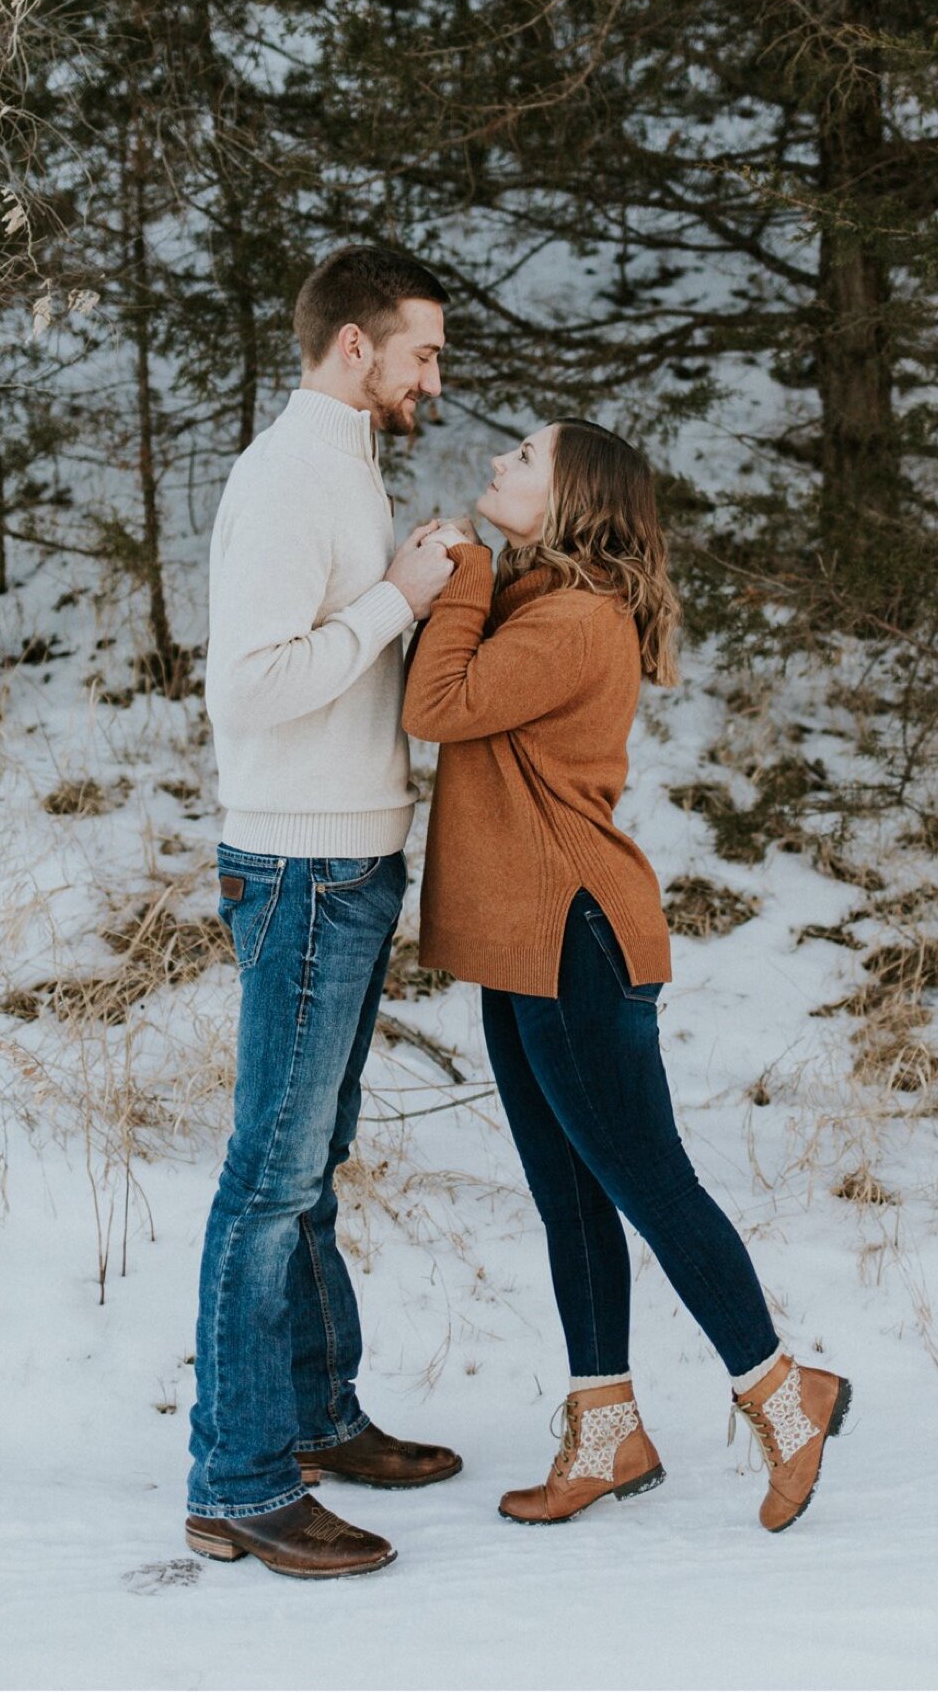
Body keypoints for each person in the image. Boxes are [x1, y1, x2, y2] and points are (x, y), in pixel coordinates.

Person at [405, 420, 851, 1536]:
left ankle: (781, 1389)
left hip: (574, 938)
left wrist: (457, 567)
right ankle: (606, 1429)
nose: (498, 460)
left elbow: (438, 707)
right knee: (571, 1194)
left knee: (650, 1183)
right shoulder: (538, 599)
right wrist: (475, 577)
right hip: (531, 942)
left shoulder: (571, 619)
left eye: (524, 456)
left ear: (574, 500)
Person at [186, 245, 464, 1581]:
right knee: (271, 1179)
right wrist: (394, 601)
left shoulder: (346, 468)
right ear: (355, 347)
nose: (433, 377)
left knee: (312, 1166)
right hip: (300, 866)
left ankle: (314, 1415)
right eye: (422, 353)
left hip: (348, 861)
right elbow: (249, 686)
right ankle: (238, 1480)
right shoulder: (292, 474)